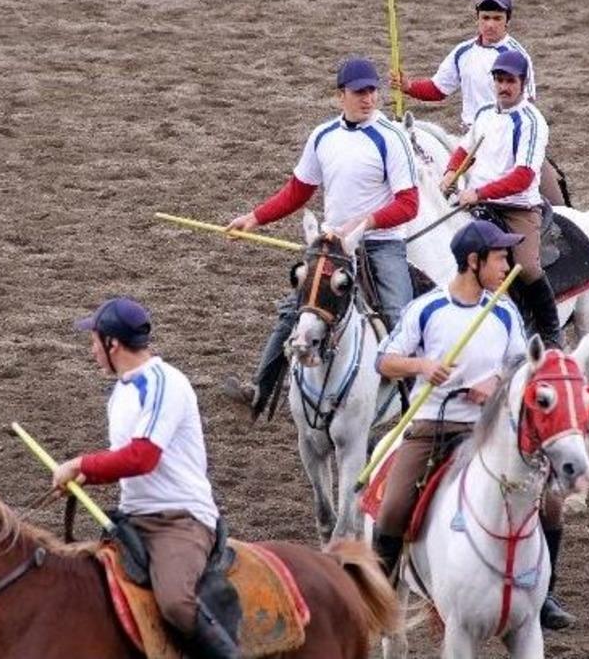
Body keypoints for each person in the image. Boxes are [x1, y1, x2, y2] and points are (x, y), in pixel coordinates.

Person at [223, 56, 420, 418]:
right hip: (334, 247)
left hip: (382, 243)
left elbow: (409, 204)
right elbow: (298, 191)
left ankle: (417, 408)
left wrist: (363, 223)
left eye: (373, 91)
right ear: (340, 96)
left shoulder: (392, 138)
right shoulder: (322, 136)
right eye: (359, 92)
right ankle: (260, 391)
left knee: (399, 314)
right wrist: (256, 217)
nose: (369, 99)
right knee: (294, 311)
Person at [52, 297, 240, 658]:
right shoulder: (121, 391)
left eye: (94, 341)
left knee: (175, 603)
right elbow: (125, 460)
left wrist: (81, 465)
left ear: (113, 344)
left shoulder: (164, 383)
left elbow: (143, 457)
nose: (91, 351)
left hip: (181, 520)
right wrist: (84, 478)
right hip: (134, 518)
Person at [372, 220, 526, 579]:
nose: (506, 267)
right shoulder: (427, 308)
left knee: (545, 500)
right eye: (500, 258)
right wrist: (422, 365)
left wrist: (497, 380)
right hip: (431, 424)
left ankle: (544, 591)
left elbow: (521, 364)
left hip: (489, 428)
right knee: (393, 509)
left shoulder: (505, 311)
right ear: (474, 261)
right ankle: (375, 591)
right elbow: (383, 361)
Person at [390, 0, 565, 205]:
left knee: (555, 202)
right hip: (469, 138)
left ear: (507, 21)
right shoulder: (463, 52)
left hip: (506, 140)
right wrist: (409, 86)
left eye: (497, 18)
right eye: (485, 18)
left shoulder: (517, 56)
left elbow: (525, 105)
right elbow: (438, 89)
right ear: (477, 20)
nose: (490, 24)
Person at [440, 49, 562, 349]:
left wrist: (479, 193)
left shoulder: (532, 122)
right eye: (499, 80)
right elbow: (465, 149)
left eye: (510, 81)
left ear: (523, 83)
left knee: (527, 267)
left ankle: (551, 332)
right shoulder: (484, 113)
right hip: (477, 203)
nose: (504, 86)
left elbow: (522, 176)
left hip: (516, 208)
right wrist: (450, 172)